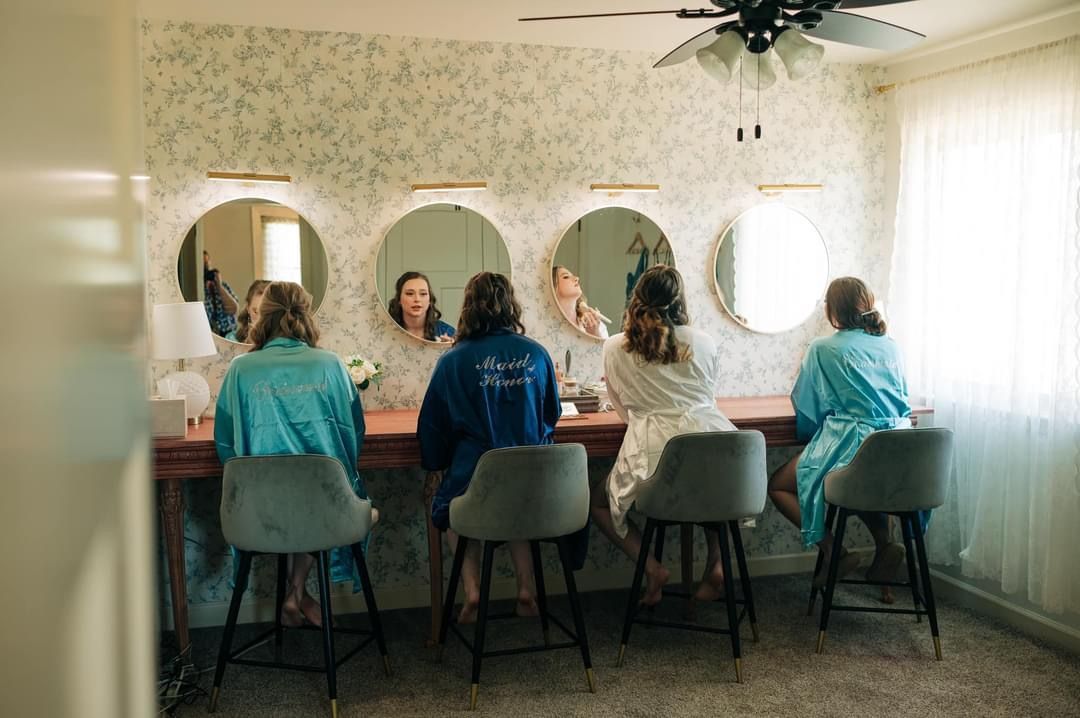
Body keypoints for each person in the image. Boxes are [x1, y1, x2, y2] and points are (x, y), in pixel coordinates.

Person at [214, 281, 368, 627]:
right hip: (327, 503)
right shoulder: (330, 365)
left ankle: (295, 594)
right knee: (313, 497)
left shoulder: (241, 369)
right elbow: (354, 435)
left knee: (294, 496)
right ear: (307, 315)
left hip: (258, 505)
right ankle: (297, 594)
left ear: (260, 317)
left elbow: (224, 444)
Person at [418, 272, 560, 624]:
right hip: (534, 483)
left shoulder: (453, 361)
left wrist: (434, 465)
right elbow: (552, 414)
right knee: (514, 504)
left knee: (450, 507)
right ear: (511, 304)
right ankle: (526, 588)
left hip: (477, 480)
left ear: (468, 306)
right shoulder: (537, 354)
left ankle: (473, 590)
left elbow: (432, 427)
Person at [592, 265, 736, 605]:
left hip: (655, 462)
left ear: (637, 297)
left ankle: (653, 568)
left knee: (598, 502)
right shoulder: (704, 342)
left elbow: (624, 412)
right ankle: (716, 563)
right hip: (713, 442)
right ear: (680, 300)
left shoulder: (614, 347)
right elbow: (708, 397)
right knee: (716, 491)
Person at [767, 276, 911, 601]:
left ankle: (833, 550)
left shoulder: (822, 348)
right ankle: (885, 546)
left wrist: (811, 437)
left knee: (779, 484)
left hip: (853, 445)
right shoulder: (891, 346)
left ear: (833, 311)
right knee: (864, 485)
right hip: (898, 450)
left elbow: (807, 403)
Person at [388, 271, 455, 342]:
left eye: (423, 294)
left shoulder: (448, 332)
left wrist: (452, 350)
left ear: (430, 300)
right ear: (399, 299)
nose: (417, 299)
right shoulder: (386, 331)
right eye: (410, 293)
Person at [553, 265, 609, 339]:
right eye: (566, 277)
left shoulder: (597, 326)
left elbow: (605, 350)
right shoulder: (549, 327)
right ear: (553, 287)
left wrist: (594, 334)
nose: (576, 278)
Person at [202, 250, 239, 337]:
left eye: (207, 263)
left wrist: (219, 287)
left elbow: (234, 309)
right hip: (212, 336)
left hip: (230, 334)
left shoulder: (222, 285)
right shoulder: (199, 291)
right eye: (203, 265)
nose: (206, 267)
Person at [225, 279, 269, 344]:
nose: (260, 319)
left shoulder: (284, 341)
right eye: (256, 312)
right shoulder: (231, 339)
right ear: (248, 308)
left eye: (267, 312)